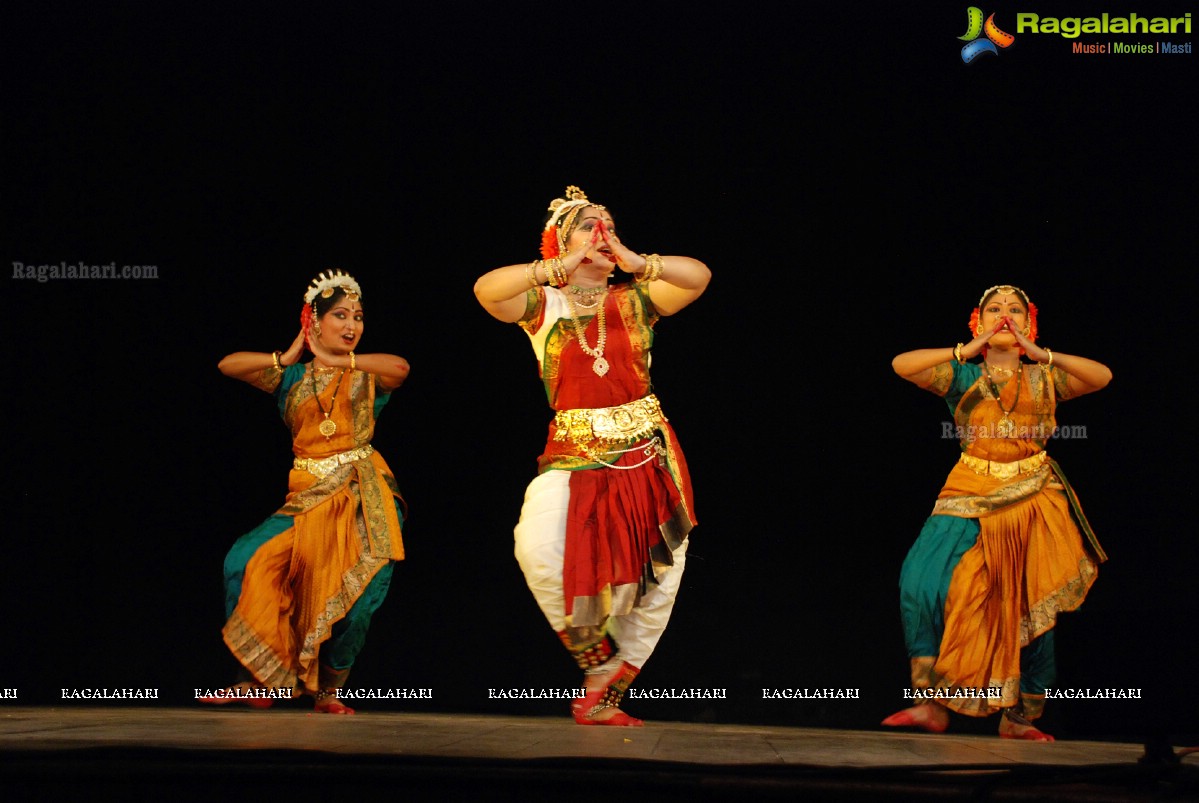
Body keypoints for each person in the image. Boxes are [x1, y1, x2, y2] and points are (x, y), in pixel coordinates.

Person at [473, 186, 711, 726]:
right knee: (536, 548)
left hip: (647, 451)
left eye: (608, 224)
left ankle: (610, 689)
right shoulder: (542, 306)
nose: (601, 233)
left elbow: (698, 277)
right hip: (573, 450)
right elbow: (487, 290)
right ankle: (595, 661)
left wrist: (637, 262)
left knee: (662, 573)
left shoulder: (637, 298)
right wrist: (553, 268)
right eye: (587, 226)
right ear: (561, 239)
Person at [882, 284, 1111, 741]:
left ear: (1029, 324)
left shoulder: (1046, 379)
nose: (1004, 316)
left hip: (1032, 495)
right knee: (922, 580)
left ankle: (1020, 717)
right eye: (994, 310)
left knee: (1028, 604)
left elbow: (1101, 376)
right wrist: (966, 350)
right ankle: (931, 703)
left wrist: (1040, 354)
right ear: (977, 321)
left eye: (1015, 311)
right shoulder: (961, 376)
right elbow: (901, 365)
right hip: (967, 486)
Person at [203, 270, 410, 714]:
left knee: (359, 600)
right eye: (340, 315)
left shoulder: (369, 372)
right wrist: (288, 353)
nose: (352, 325)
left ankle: (329, 689)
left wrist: (346, 363)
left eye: (357, 316)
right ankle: (259, 680)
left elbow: (401, 368)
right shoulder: (289, 377)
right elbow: (227, 365)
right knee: (247, 559)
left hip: (359, 495)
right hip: (307, 497)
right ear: (314, 322)